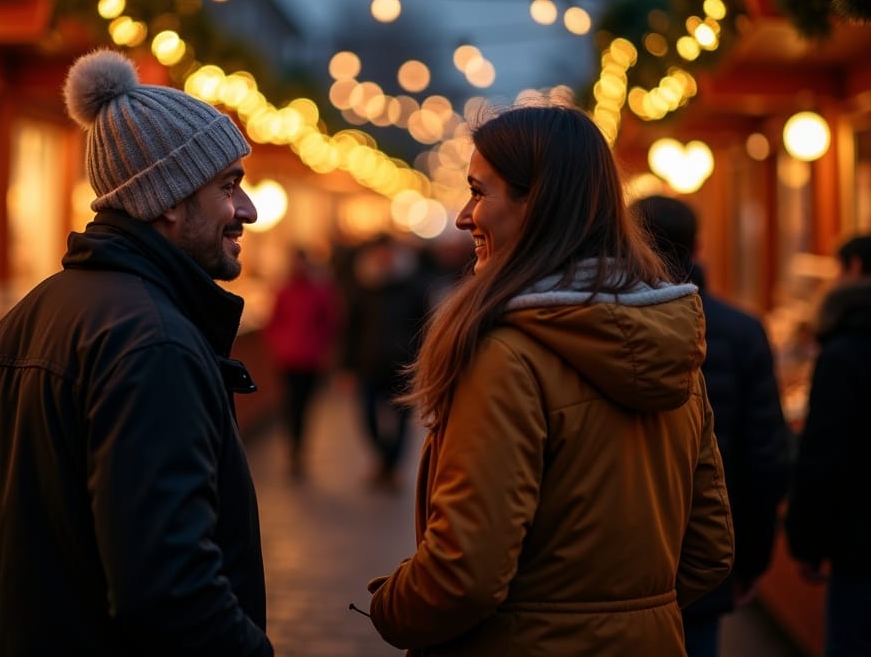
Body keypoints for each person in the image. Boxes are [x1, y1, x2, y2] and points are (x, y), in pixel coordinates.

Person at [0, 48, 274, 656]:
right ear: (167, 200)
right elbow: (174, 596)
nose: (247, 211)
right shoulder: (157, 343)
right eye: (229, 187)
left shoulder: (23, 320)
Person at [366, 100, 734, 656]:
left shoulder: (506, 354)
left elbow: (463, 574)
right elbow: (709, 549)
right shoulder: (673, 343)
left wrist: (388, 606)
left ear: (537, 205)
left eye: (479, 191)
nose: (465, 216)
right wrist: (622, 617)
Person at [633, 195, 791, 657]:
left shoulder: (601, 322)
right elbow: (764, 454)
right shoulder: (742, 330)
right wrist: (752, 560)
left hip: (622, 560)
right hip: (707, 552)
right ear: (699, 247)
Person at [784, 233, 871, 657]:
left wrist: (806, 541)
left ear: (855, 268)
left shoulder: (844, 351)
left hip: (858, 541)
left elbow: (824, 454)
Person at [345, 232, 428, 490]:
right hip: (368, 364)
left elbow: (424, 325)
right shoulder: (363, 285)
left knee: (402, 421)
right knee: (367, 417)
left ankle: (390, 468)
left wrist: (422, 359)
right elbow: (350, 327)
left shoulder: (412, 285)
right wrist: (346, 366)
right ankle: (385, 460)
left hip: (403, 364)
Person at [263, 246, 339, 479]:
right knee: (290, 404)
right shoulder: (283, 290)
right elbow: (273, 321)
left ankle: (298, 449)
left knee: (303, 405)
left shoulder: (320, 290)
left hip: (310, 358)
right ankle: (294, 449)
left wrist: (323, 349)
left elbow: (330, 322)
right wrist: (278, 345)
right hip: (287, 359)